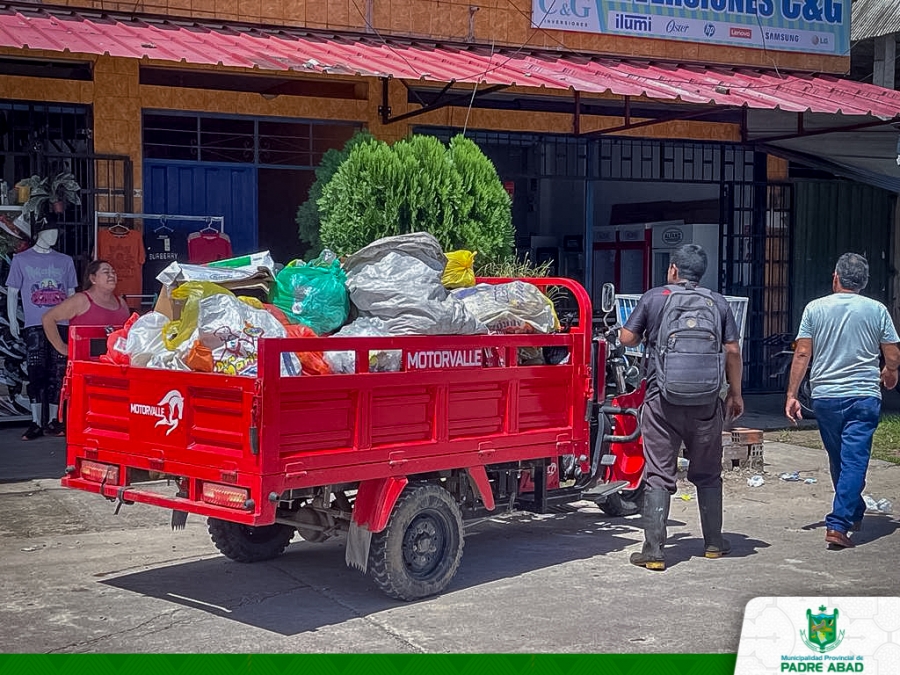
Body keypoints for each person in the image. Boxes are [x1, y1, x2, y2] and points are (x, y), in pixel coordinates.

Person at [619, 243, 744, 571]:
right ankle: (714, 543)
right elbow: (732, 349)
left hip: (662, 400)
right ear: (700, 273)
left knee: (659, 473)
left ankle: (654, 551)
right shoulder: (717, 302)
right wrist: (735, 393)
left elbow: (627, 338)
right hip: (706, 402)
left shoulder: (654, 298)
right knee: (708, 472)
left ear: (673, 269)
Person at [785, 252, 900, 550]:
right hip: (863, 396)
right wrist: (889, 374)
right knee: (851, 461)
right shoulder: (877, 310)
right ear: (863, 282)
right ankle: (843, 520)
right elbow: (893, 355)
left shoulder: (814, 309)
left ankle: (843, 517)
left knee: (841, 459)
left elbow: (802, 354)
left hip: (825, 398)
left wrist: (792, 394)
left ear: (836, 277)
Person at [42, 260, 130, 358]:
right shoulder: (81, 300)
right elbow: (48, 318)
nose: (112, 275)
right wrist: (62, 348)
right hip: (84, 366)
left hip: (116, 365)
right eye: (106, 272)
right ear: (93, 278)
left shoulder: (121, 303)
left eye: (113, 272)